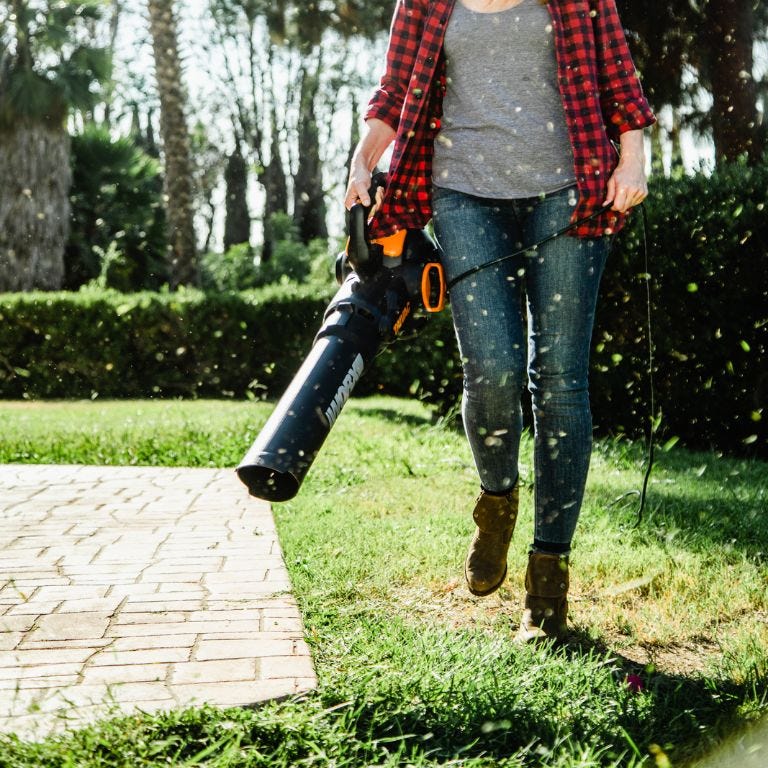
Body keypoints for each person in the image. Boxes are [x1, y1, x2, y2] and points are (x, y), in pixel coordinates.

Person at [345, 0, 655, 642]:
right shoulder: (426, 2)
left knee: (561, 380)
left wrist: (633, 158)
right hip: (463, 196)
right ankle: (497, 499)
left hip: (569, 191)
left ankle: (547, 585)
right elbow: (394, 92)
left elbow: (618, 79)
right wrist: (361, 162)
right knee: (492, 367)